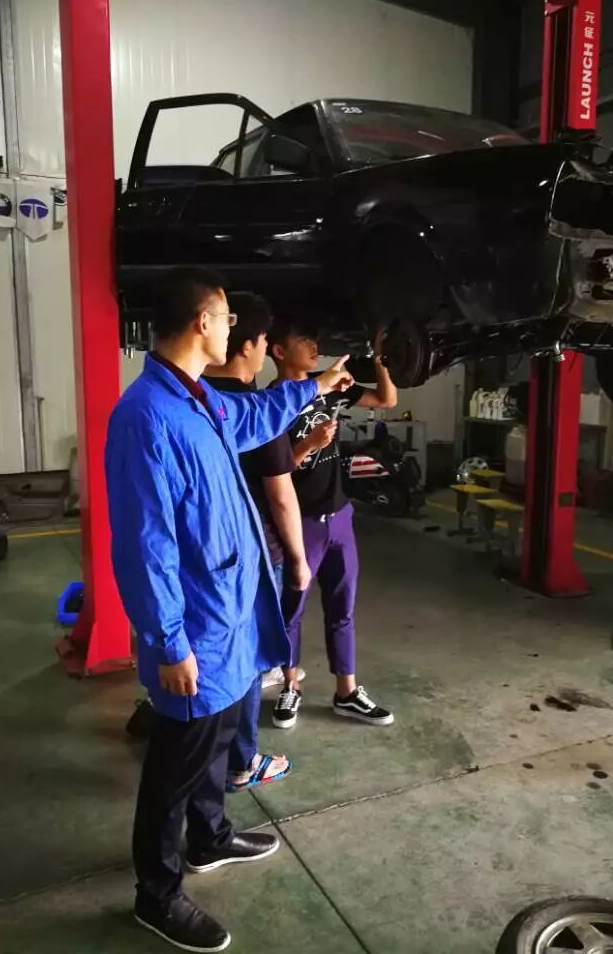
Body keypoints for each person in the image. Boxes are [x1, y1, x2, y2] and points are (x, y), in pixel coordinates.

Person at [104, 267, 353, 953]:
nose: (232, 330)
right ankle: (156, 895)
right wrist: (168, 642)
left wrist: (313, 387)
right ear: (201, 323)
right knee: (175, 765)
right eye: (225, 318)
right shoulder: (146, 416)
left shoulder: (198, 398)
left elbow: (251, 419)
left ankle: (209, 836)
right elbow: (145, 544)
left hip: (226, 614)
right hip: (194, 628)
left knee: (216, 739)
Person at [268, 316, 398, 730]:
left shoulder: (327, 387)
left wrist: (379, 360)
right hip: (301, 523)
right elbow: (276, 472)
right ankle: (291, 685)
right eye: (302, 339)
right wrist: (310, 443)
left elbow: (386, 400)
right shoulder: (273, 403)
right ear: (279, 351)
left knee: (342, 608)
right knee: (292, 609)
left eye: (314, 338)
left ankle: (347, 692)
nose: (313, 345)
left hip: (340, 517)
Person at [205, 291, 310, 792]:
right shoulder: (256, 408)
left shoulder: (192, 396)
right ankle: (241, 762)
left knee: (212, 649)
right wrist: (298, 558)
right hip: (253, 554)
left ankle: (209, 750)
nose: (266, 349)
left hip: (204, 553)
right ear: (247, 344)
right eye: (265, 340)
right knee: (245, 658)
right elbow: (281, 496)